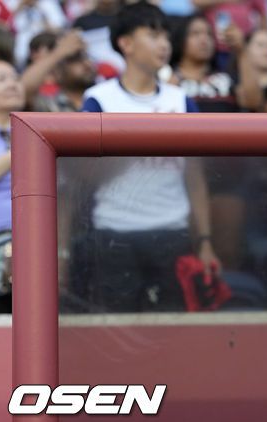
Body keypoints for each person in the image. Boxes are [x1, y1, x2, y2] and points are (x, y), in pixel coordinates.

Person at [80, 1, 220, 312]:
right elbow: (85, 175)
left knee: (173, 330)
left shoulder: (181, 100)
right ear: (125, 43)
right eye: (153, 35)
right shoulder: (98, 100)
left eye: (166, 37)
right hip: (114, 232)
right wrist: (139, 139)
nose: (164, 44)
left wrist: (204, 241)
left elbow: (195, 177)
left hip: (172, 231)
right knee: (118, 330)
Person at [169, 13, 262, 112]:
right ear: (180, 39)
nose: (204, 39)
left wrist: (241, 51)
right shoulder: (168, 78)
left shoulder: (226, 77)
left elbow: (253, 102)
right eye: (195, 33)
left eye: (209, 34)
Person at [0, 58, 25, 313]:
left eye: (15, 77)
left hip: (39, 237)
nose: (12, 84)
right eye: (1, 80)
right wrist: (21, 152)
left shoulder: (39, 127)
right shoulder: (33, 139)